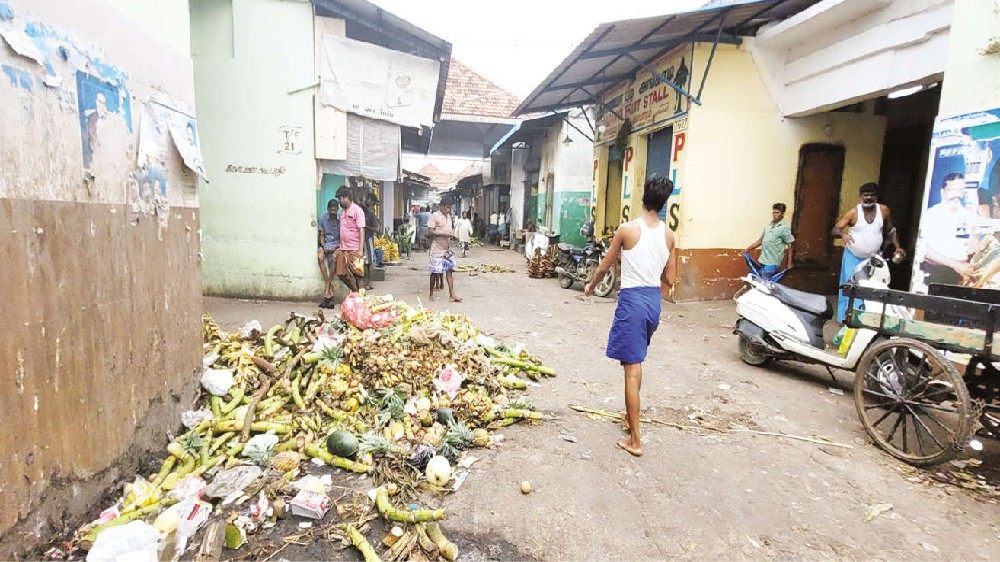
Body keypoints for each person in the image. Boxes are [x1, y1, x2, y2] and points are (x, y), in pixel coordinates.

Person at [585, 176, 676, 457]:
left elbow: (604, 266)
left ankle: (635, 440)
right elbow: (670, 279)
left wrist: (590, 286)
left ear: (643, 196)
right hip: (653, 302)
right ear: (663, 203)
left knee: (631, 368)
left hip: (633, 301)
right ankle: (629, 416)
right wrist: (654, 264)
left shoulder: (627, 230)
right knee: (635, 362)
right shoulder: (669, 235)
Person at [832, 183, 904, 322]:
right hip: (853, 257)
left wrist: (897, 246)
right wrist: (843, 235)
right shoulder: (853, 213)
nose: (868, 198)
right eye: (865, 196)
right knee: (850, 288)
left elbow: (891, 230)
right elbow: (835, 229)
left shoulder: (883, 211)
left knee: (870, 288)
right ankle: (845, 319)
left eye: (871, 196)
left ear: (876, 197)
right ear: (861, 196)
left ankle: (863, 319)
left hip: (872, 258)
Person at [919, 172, 996, 286]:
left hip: (962, 276)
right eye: (952, 190)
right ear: (943, 192)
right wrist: (955, 265)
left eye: (960, 190)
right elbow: (924, 250)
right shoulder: (931, 214)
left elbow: (975, 246)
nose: (957, 195)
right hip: (936, 274)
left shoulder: (969, 216)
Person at [743, 202, 795, 279]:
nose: (774, 215)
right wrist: (748, 248)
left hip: (773, 262)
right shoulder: (768, 226)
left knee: (765, 282)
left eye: (777, 213)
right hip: (763, 260)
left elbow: (790, 245)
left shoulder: (784, 228)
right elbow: (760, 241)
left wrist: (789, 262)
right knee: (760, 280)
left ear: (782, 214)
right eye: (774, 212)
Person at [428, 197, 461, 302]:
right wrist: (443, 233)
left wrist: (452, 236)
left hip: (446, 249)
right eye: (447, 207)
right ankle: (431, 294)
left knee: (449, 271)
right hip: (436, 248)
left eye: (450, 208)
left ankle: (452, 295)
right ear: (441, 206)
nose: (448, 209)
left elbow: (449, 231)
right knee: (435, 272)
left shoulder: (449, 217)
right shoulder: (435, 216)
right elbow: (430, 231)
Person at [334, 186, 365, 293]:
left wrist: (360, 250)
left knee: (358, 276)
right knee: (341, 273)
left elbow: (361, 230)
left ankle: (361, 298)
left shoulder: (357, 211)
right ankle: (355, 292)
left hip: (355, 249)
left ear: (346, 197)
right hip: (343, 249)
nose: (339, 201)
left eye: (340, 198)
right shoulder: (342, 213)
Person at [317, 199, 340, 308]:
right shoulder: (322, 219)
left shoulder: (342, 219)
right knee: (320, 257)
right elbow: (321, 235)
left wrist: (335, 247)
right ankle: (329, 287)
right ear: (328, 210)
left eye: (335, 211)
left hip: (337, 244)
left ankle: (327, 290)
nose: (333, 213)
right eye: (331, 211)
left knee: (334, 259)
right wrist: (323, 246)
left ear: (337, 209)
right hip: (326, 244)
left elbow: (344, 237)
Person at [362, 194, 381, 290]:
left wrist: (366, 226)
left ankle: (371, 282)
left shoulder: (372, 214)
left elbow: (377, 229)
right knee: (365, 261)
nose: (366, 200)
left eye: (368, 199)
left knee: (370, 261)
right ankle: (365, 281)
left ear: (372, 202)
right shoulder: (364, 212)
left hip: (368, 239)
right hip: (363, 240)